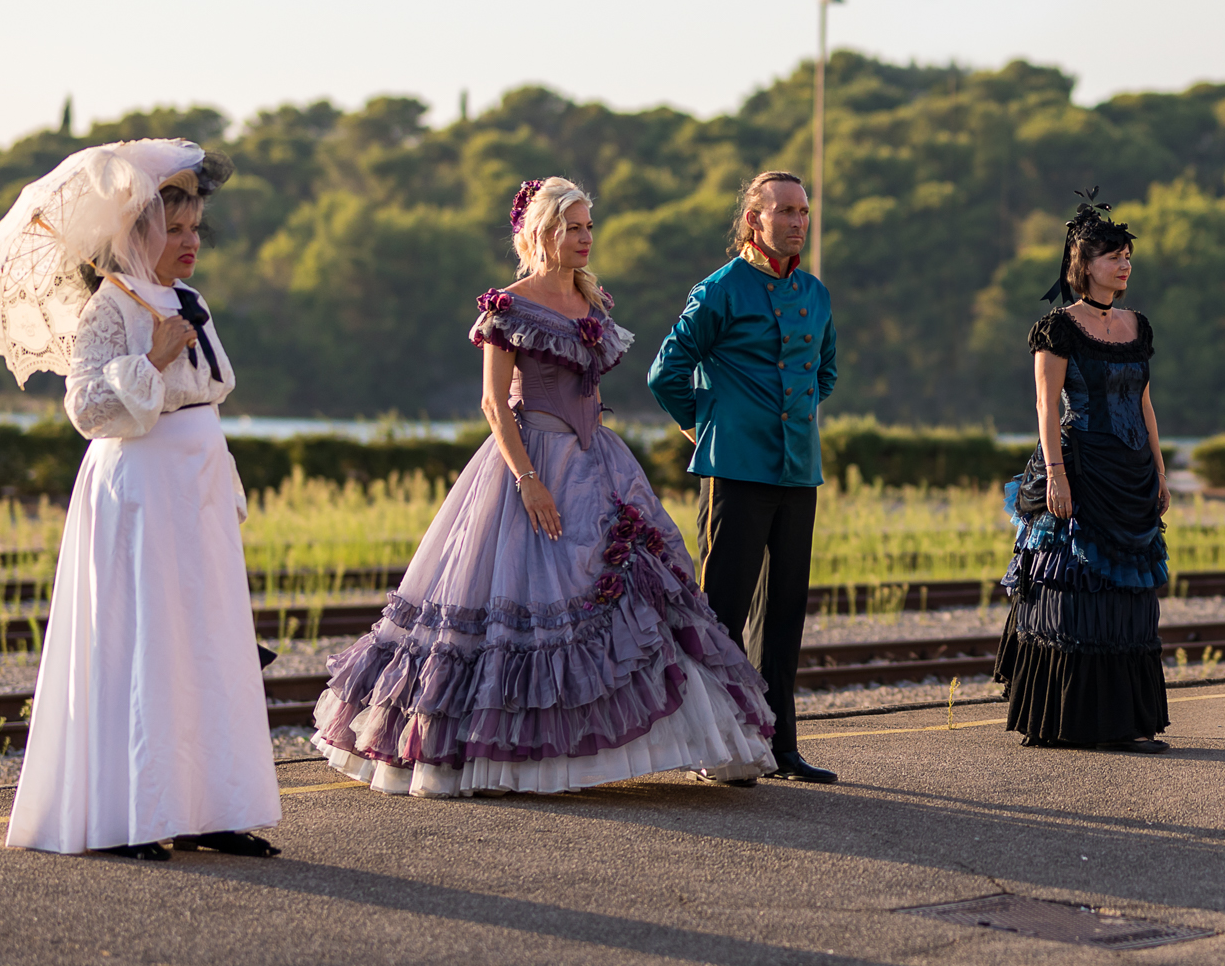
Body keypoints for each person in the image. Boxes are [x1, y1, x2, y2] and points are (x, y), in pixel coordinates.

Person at [312, 178, 777, 794]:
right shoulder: (509, 305)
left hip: (598, 464)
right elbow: (493, 403)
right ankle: (512, 758)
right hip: (531, 462)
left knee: (639, 597)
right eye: (574, 228)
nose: (586, 238)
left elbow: (594, 391)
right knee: (522, 612)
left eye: (589, 227)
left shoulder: (592, 301)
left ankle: (633, 749)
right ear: (542, 234)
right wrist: (528, 480)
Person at [2, 140, 283, 860]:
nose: (191, 242)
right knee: (145, 644)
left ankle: (208, 808)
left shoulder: (192, 302)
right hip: (139, 489)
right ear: (136, 235)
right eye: (176, 230)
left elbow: (207, 396)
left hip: (196, 487)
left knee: (205, 645)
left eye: (195, 230)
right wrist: (151, 357)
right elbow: (89, 411)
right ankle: (126, 813)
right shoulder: (109, 310)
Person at [647, 171, 840, 783]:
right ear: (754, 219)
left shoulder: (816, 292)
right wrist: (706, 423)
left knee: (784, 611)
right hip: (734, 467)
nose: (797, 221)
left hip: (798, 469)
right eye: (784, 210)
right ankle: (717, 746)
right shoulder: (720, 290)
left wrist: (798, 412)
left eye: (803, 211)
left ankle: (781, 746)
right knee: (724, 612)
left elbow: (824, 372)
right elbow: (666, 372)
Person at [996, 192, 1171, 751]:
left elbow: (1143, 402)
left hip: (1132, 473)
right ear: (1083, 263)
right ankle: (1068, 721)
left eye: (1127, 256)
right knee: (1077, 592)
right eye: (1113, 255)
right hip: (1079, 467)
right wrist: (1056, 477)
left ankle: (1124, 723)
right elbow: (1047, 407)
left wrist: (1160, 472)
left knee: (1129, 602)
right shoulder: (1058, 327)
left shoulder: (1136, 325)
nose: (1124, 264)